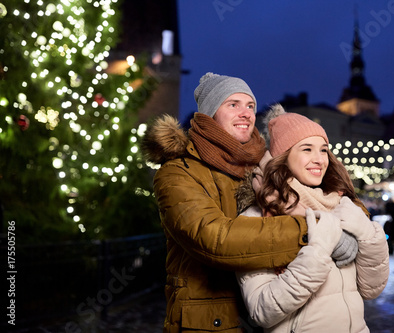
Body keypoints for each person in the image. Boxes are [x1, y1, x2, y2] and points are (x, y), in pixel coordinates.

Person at [140, 72, 356, 332]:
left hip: (272, 319)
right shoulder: (178, 171)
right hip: (212, 320)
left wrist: (354, 223)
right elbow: (215, 240)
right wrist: (315, 233)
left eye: (250, 106)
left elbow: (328, 190)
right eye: (233, 104)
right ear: (209, 114)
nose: (246, 113)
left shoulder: (264, 164)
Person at [235, 105, 390, 332]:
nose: (319, 159)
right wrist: (318, 250)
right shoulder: (259, 216)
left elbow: (371, 289)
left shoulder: (342, 204)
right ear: (284, 157)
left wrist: (367, 234)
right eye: (307, 149)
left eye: (324, 150)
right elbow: (261, 311)